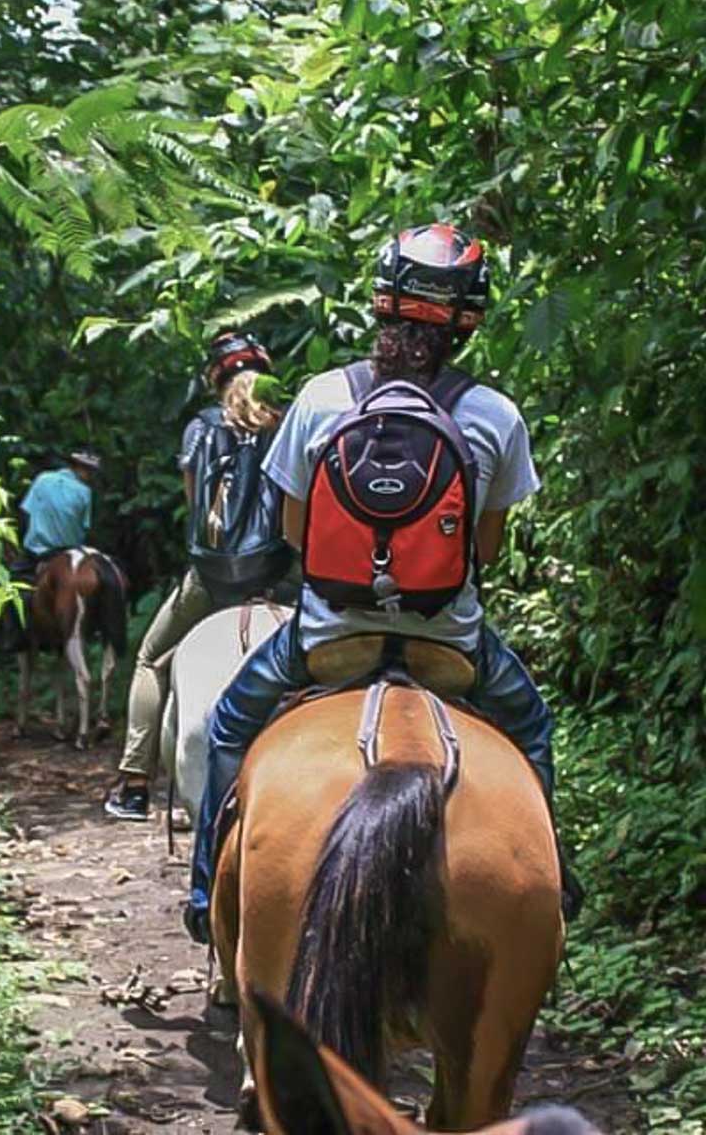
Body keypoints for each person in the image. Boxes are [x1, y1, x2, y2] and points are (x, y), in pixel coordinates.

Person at [184, 223, 583, 943]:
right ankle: (557, 880)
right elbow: (483, 551)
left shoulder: (320, 398)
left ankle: (207, 884)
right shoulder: (495, 417)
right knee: (532, 727)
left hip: (329, 639)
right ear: (467, 323)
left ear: (381, 304)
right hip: (449, 643)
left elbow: (295, 535)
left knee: (228, 728)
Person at [104, 332, 292, 822]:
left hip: (212, 580)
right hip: (278, 575)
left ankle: (134, 782)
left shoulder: (200, 429)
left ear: (216, 378)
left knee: (149, 660)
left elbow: (196, 508)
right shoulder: (285, 426)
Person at [1, 449, 102, 650]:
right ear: (78, 468)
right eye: (88, 470)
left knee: (12, 590)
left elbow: (26, 512)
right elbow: (85, 527)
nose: (90, 475)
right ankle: (93, 631)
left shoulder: (42, 480)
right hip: (68, 553)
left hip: (36, 551)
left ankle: (14, 639)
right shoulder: (85, 492)